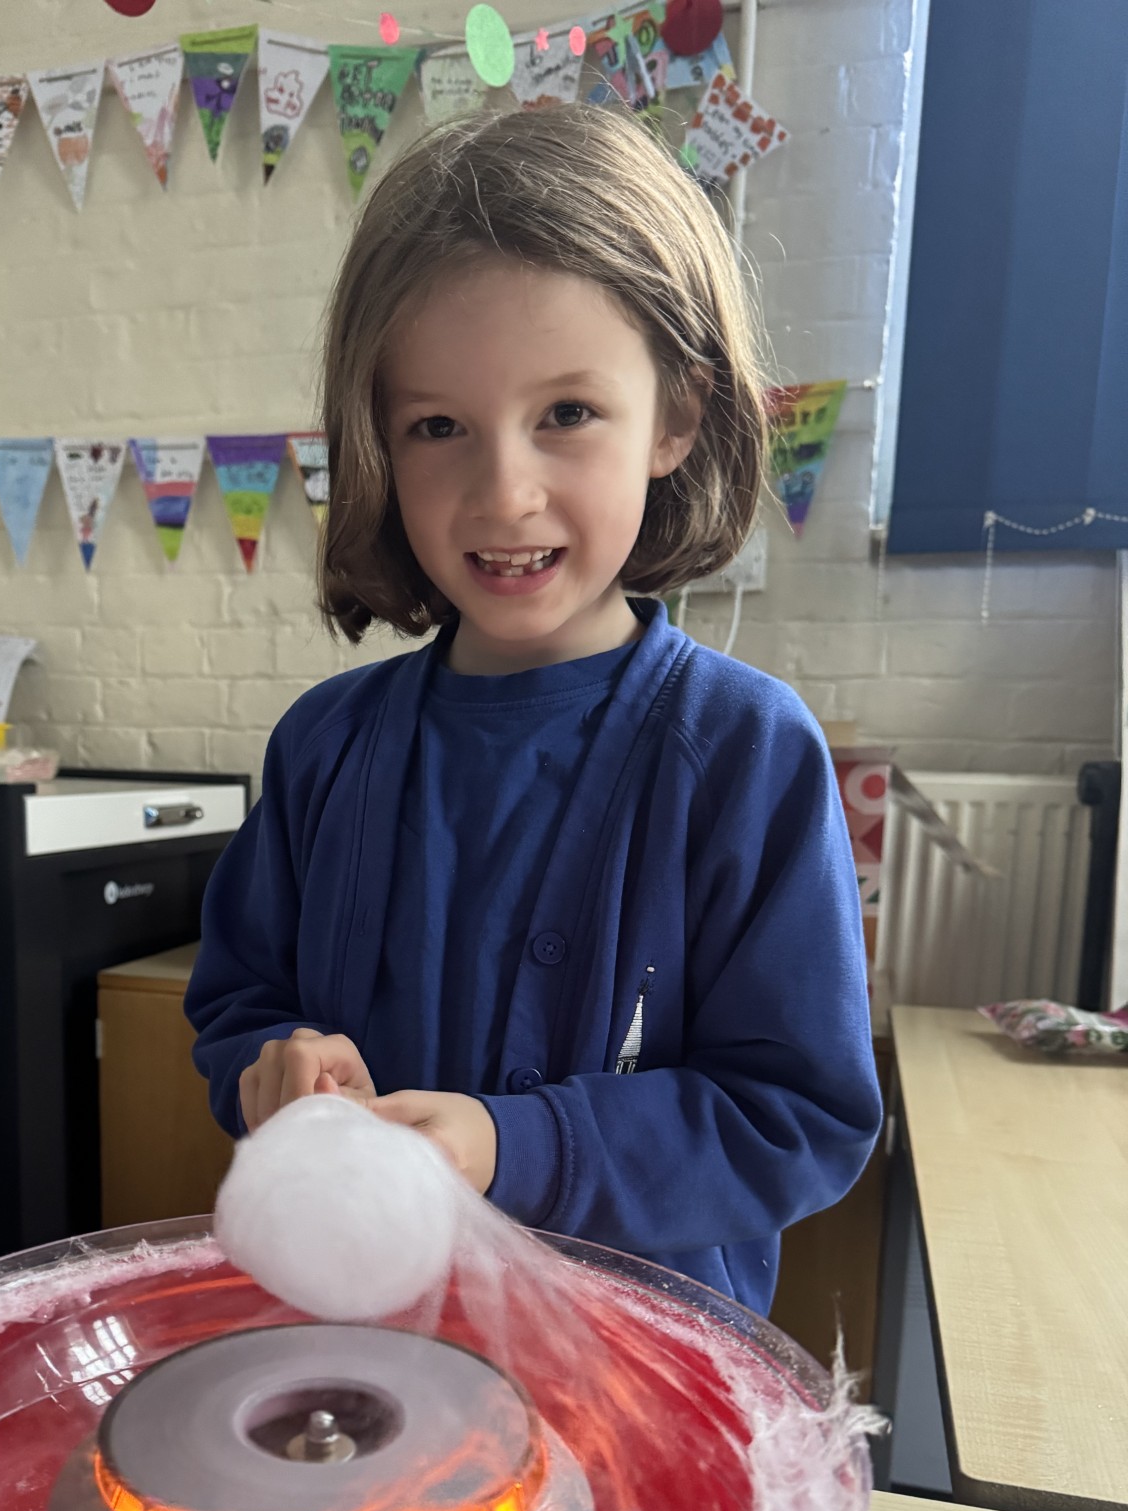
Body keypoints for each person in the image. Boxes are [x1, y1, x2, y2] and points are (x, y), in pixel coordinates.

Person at [186, 104, 881, 1315]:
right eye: (437, 427)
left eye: (566, 413)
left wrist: (516, 1145)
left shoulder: (746, 754)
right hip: (371, 1349)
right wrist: (271, 1068)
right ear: (377, 444)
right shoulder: (323, 747)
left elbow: (795, 1119)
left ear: (677, 418)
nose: (503, 493)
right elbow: (240, 1006)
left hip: (639, 1374)